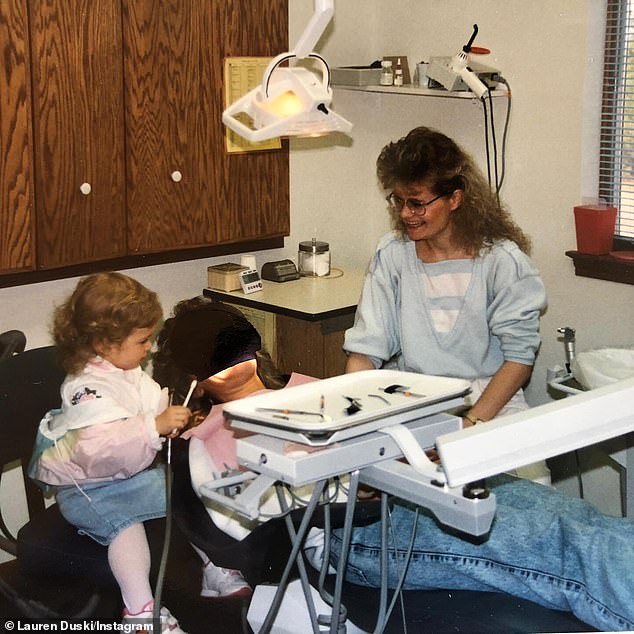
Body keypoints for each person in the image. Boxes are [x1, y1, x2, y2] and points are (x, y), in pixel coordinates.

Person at [155, 294, 634, 631]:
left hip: (421, 485)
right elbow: (246, 534)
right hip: (352, 534)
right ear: (193, 374)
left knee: (580, 520)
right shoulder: (207, 438)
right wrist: (344, 491)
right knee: (565, 545)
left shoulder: (311, 385)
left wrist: (413, 450)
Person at [344, 126, 550, 482]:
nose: (406, 214)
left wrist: (471, 424)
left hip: (491, 402)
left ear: (455, 198)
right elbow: (365, 352)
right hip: (415, 399)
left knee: (532, 486)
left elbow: (519, 360)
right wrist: (353, 418)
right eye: (399, 201)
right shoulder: (392, 256)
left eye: (418, 202)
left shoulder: (502, 262)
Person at [30, 272, 191, 633]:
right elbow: (99, 451)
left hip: (123, 478)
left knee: (192, 490)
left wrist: (170, 418)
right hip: (88, 492)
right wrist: (153, 427)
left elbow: (149, 403)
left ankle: (217, 570)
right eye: (143, 340)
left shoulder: (125, 368)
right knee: (125, 527)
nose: (149, 348)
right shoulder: (86, 389)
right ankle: (139, 613)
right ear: (104, 343)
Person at [152, 297, 317, 597]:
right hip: (324, 540)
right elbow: (248, 527)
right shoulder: (201, 441)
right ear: (196, 384)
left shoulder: (310, 388)